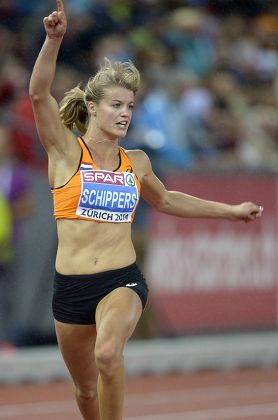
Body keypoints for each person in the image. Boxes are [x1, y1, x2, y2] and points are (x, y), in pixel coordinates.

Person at [29, 1, 263, 419]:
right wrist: (53, 41)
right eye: (116, 105)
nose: (124, 114)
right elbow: (37, 93)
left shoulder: (137, 162)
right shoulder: (66, 153)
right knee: (85, 392)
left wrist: (230, 211)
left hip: (121, 280)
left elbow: (168, 200)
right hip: (71, 289)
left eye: (130, 107)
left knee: (107, 355)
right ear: (95, 107)